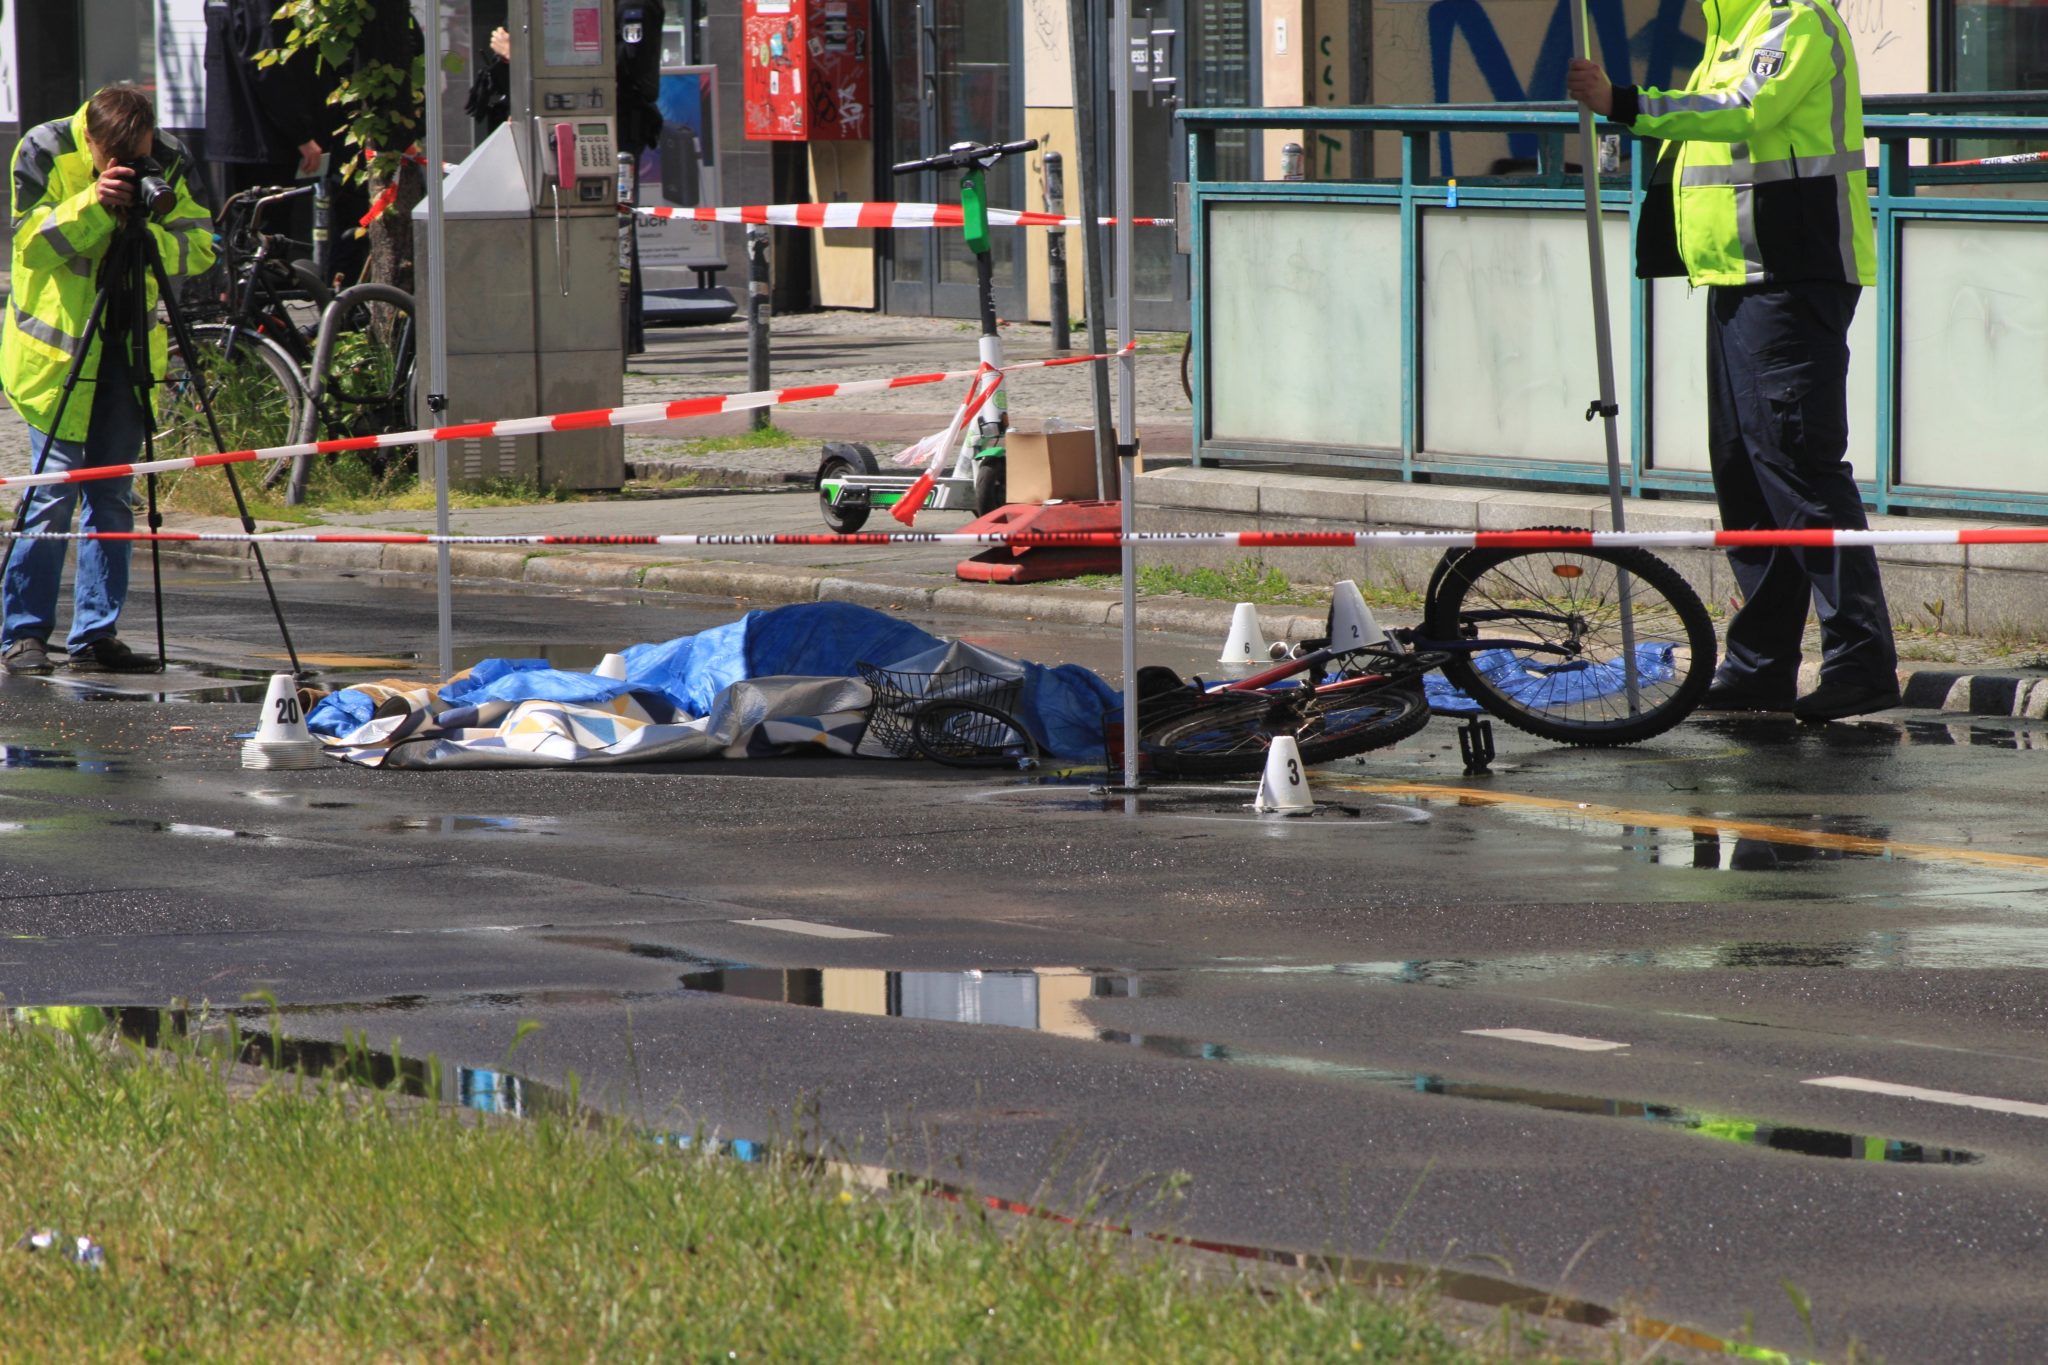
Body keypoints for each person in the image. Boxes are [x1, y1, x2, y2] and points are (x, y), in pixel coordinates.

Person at [1566, 2, 1902, 722]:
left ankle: (1860, 660)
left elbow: (1740, 113)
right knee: (1747, 477)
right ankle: (1760, 664)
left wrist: (1622, 104)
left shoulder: (1795, 22)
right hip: (1737, 279)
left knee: (1799, 465)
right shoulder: (1728, 31)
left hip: (1790, 274)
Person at [1, 86, 217, 674]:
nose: (129, 168)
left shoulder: (169, 156)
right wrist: (95, 205)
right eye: (113, 159)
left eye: (139, 156)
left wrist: (150, 234)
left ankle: (95, 635)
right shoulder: (44, 148)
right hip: (56, 361)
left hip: (127, 352)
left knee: (113, 496)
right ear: (91, 140)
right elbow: (28, 248)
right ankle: (22, 635)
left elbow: (201, 250)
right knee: (51, 497)